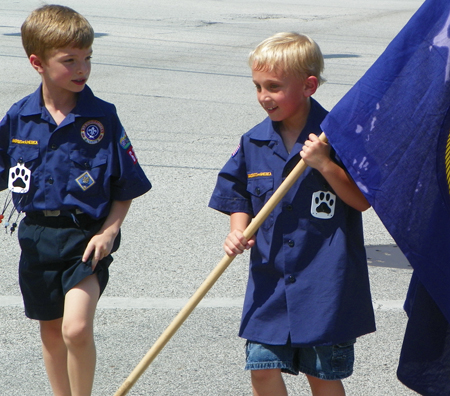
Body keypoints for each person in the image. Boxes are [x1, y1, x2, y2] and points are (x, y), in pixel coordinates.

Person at [209, 32, 376, 396]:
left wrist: (325, 166)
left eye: (273, 86)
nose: (263, 97)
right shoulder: (253, 141)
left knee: (323, 376)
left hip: (324, 285)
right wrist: (238, 229)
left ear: (308, 86)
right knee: (262, 368)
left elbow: (361, 200)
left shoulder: (337, 137)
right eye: (257, 86)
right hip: (270, 282)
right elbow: (236, 192)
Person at [0, 5, 151, 396]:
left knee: (76, 328)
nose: (82, 68)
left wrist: (110, 230)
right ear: (37, 63)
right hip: (35, 237)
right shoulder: (19, 117)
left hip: (86, 239)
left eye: (87, 59)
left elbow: (125, 185)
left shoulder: (102, 118)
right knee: (51, 332)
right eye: (70, 61)